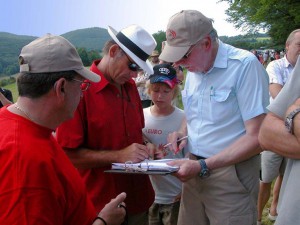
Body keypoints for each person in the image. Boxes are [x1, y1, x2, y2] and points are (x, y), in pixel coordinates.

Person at [0, 34, 127, 225]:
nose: (82, 95)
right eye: (82, 86)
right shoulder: (26, 162)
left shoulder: (16, 122)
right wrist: (104, 221)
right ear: (61, 88)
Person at [159, 10, 269, 225]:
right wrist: (182, 132)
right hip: (193, 170)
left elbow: (258, 137)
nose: (180, 63)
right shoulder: (195, 67)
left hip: (230, 175)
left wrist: (204, 165)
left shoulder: (244, 66)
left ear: (207, 43)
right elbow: (193, 115)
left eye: (184, 55)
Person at [56, 25, 157, 225]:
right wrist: (118, 156)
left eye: (139, 68)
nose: (135, 75)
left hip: (139, 200)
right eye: (132, 66)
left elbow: (137, 134)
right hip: (102, 209)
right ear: (113, 52)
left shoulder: (130, 88)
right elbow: (66, 155)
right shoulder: (80, 90)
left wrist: (147, 147)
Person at [257, 28, 300, 225]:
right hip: (278, 133)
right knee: (266, 177)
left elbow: (287, 103)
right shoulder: (275, 66)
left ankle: (276, 208)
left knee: (286, 174)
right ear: (287, 46)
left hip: (286, 130)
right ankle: (257, 216)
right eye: (299, 45)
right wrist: (294, 112)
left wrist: (293, 108)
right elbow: (276, 93)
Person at [143, 63, 187, 225]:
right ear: (148, 90)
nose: (160, 96)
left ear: (174, 92)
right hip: (148, 195)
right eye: (155, 90)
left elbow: (190, 157)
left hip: (175, 196)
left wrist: (186, 191)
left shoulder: (183, 119)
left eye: (166, 91)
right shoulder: (142, 117)